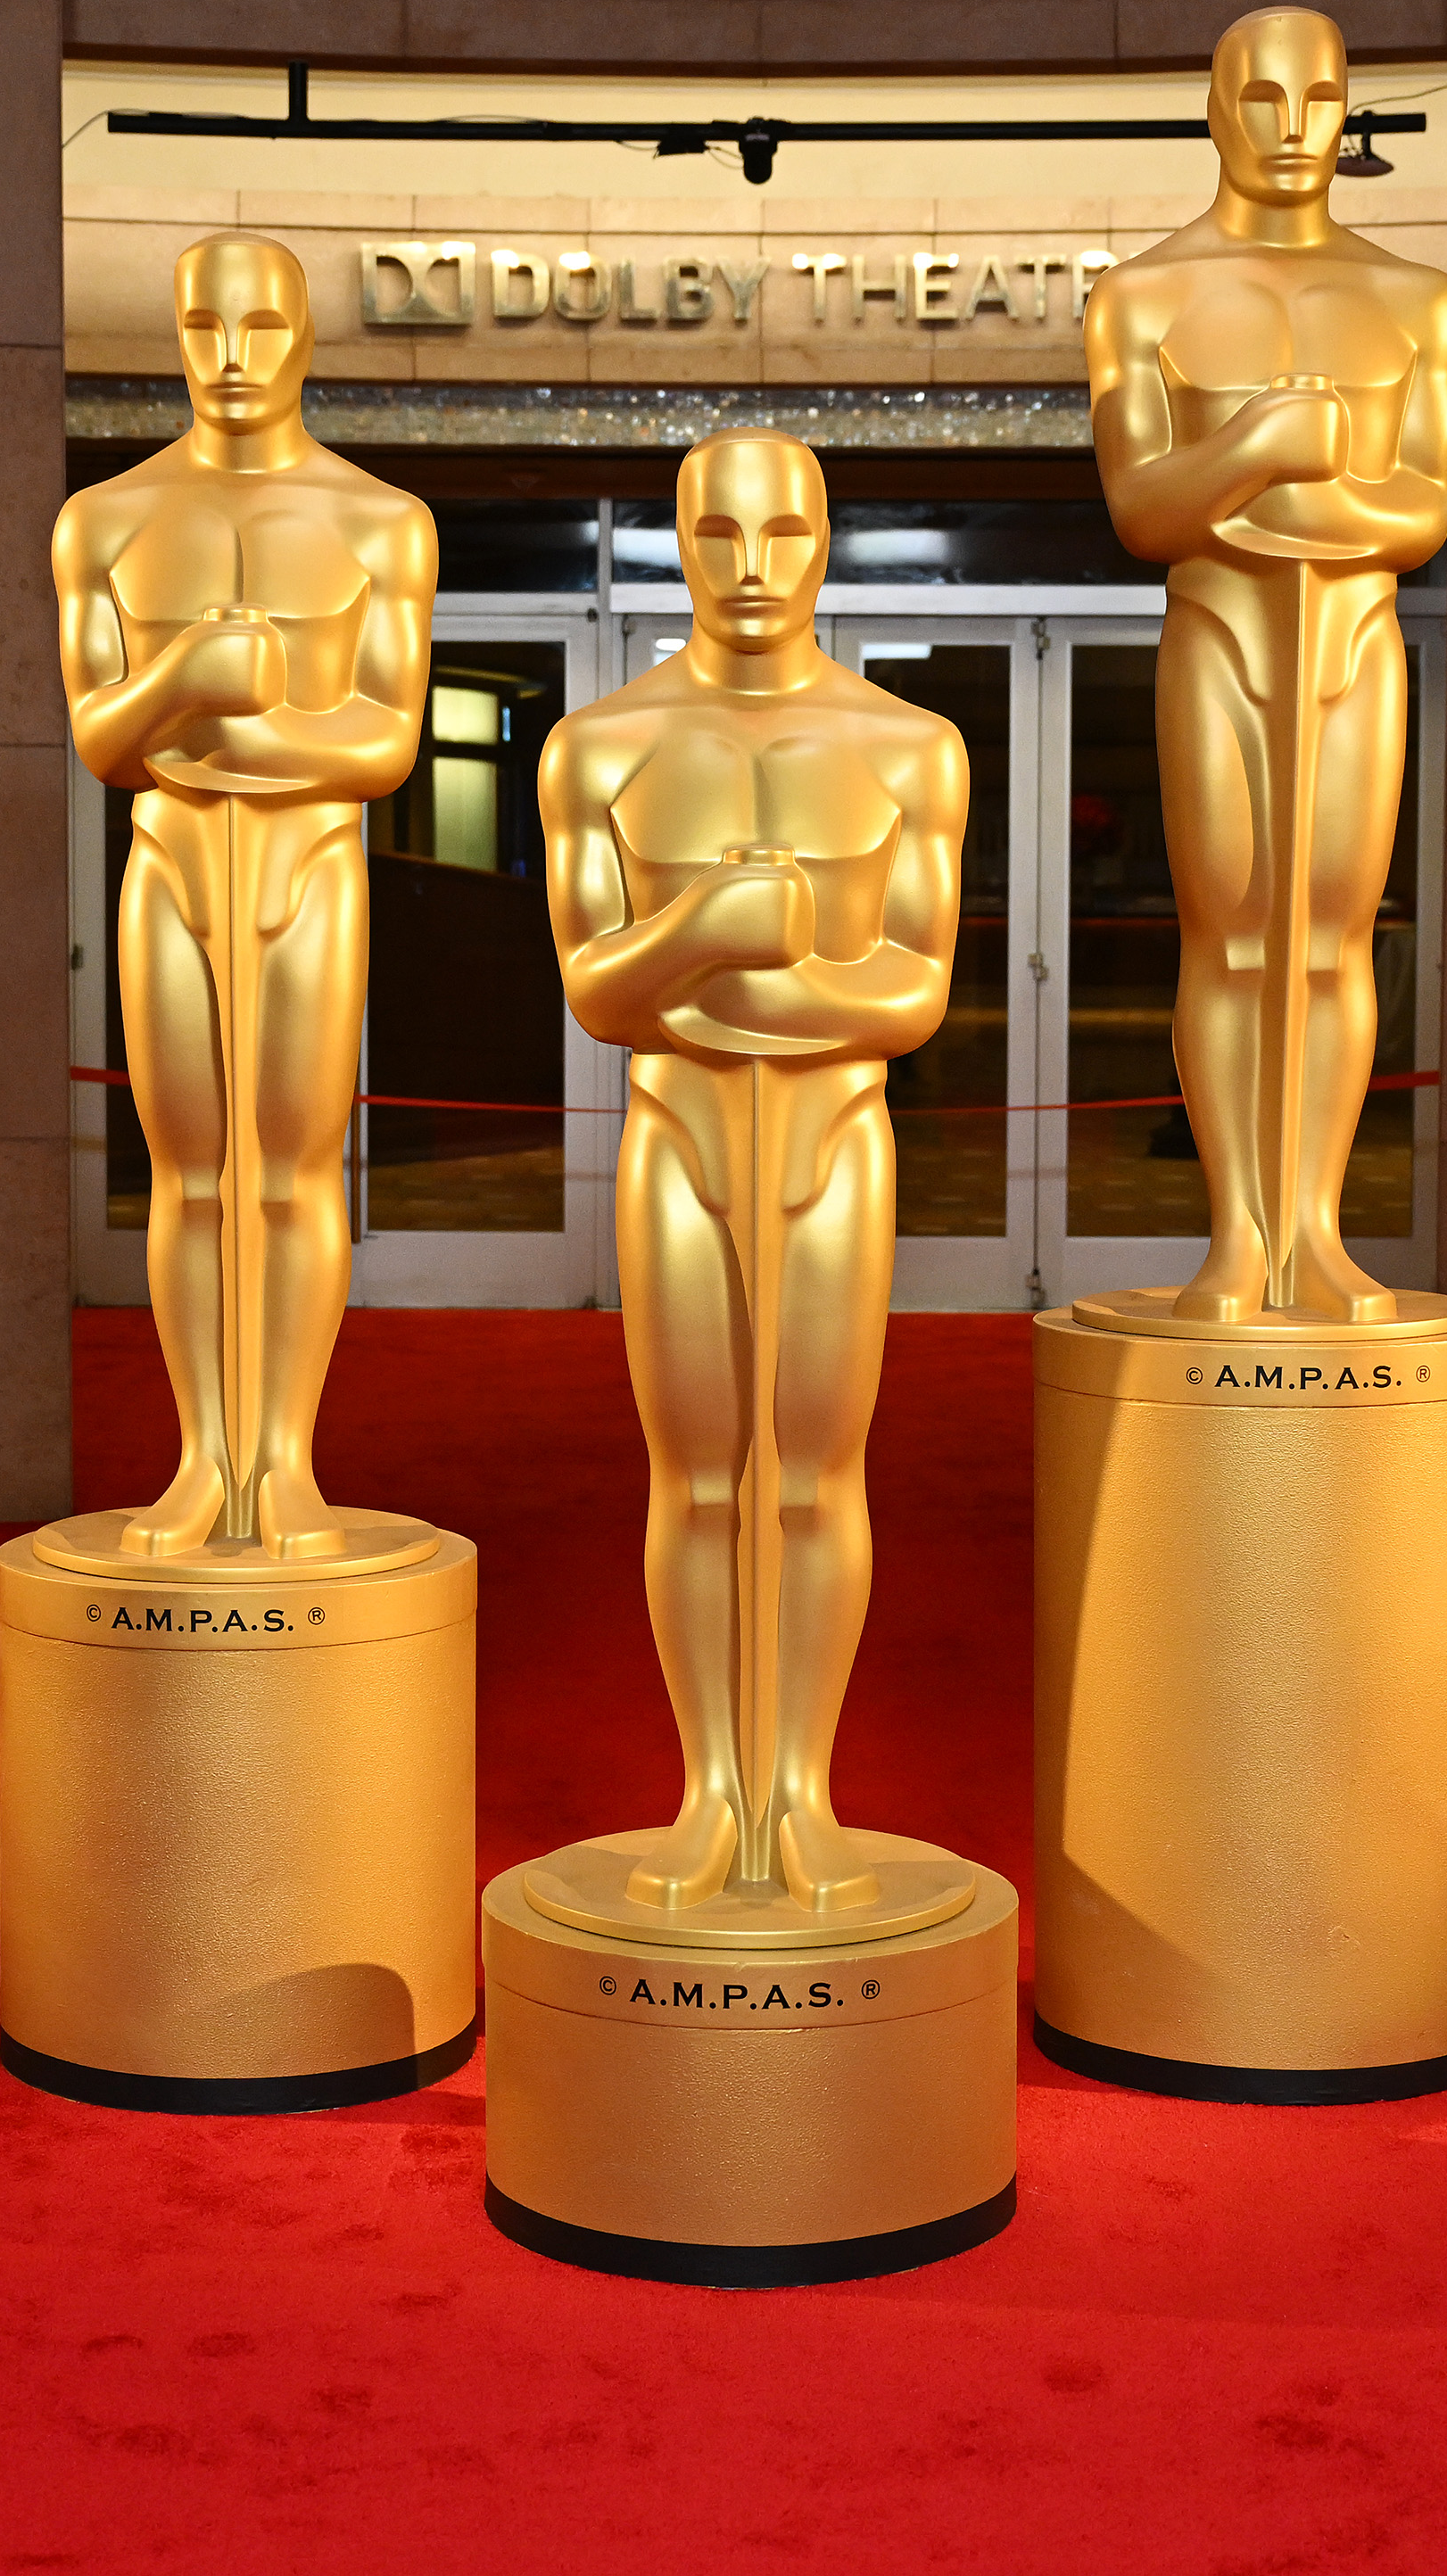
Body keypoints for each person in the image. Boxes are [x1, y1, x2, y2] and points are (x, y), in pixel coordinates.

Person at [539, 432, 966, 1919]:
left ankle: (806, 1782)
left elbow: (913, 997)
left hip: (837, 1143)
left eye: (784, 532)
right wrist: (716, 925)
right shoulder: (601, 747)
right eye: (718, 534)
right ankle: (713, 1784)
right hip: (679, 1142)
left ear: (828, 537)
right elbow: (598, 990)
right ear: (678, 539)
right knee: (702, 1473)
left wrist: (731, 987)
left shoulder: (908, 748)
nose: (753, 566)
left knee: (821, 1471)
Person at [1087, 3, 1447, 1325]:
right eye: (1261, 99)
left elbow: (1422, 512)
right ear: (1213, 107)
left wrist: (1257, 497)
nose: (1292, 129)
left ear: (1347, 106)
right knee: (1233, 933)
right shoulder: (1143, 297)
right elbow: (1144, 509)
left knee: (1333, 938)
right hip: (1219, 636)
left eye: (1318, 100)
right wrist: (1263, 450)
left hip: (1355, 641)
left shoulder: (1415, 300)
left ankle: (1319, 1226)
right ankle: (1239, 1231)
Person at [55, 233, 431, 1559]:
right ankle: (204, 1455)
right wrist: (186, 683)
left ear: (306, 334)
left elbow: (384, 745)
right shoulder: (103, 519)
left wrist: (235, 730)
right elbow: (104, 739)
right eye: (205, 325)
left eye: (261, 326)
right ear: (174, 329)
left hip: (309, 868)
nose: (231, 357)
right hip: (166, 866)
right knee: (192, 1172)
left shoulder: (379, 523)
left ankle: (286, 1456)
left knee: (295, 1166)